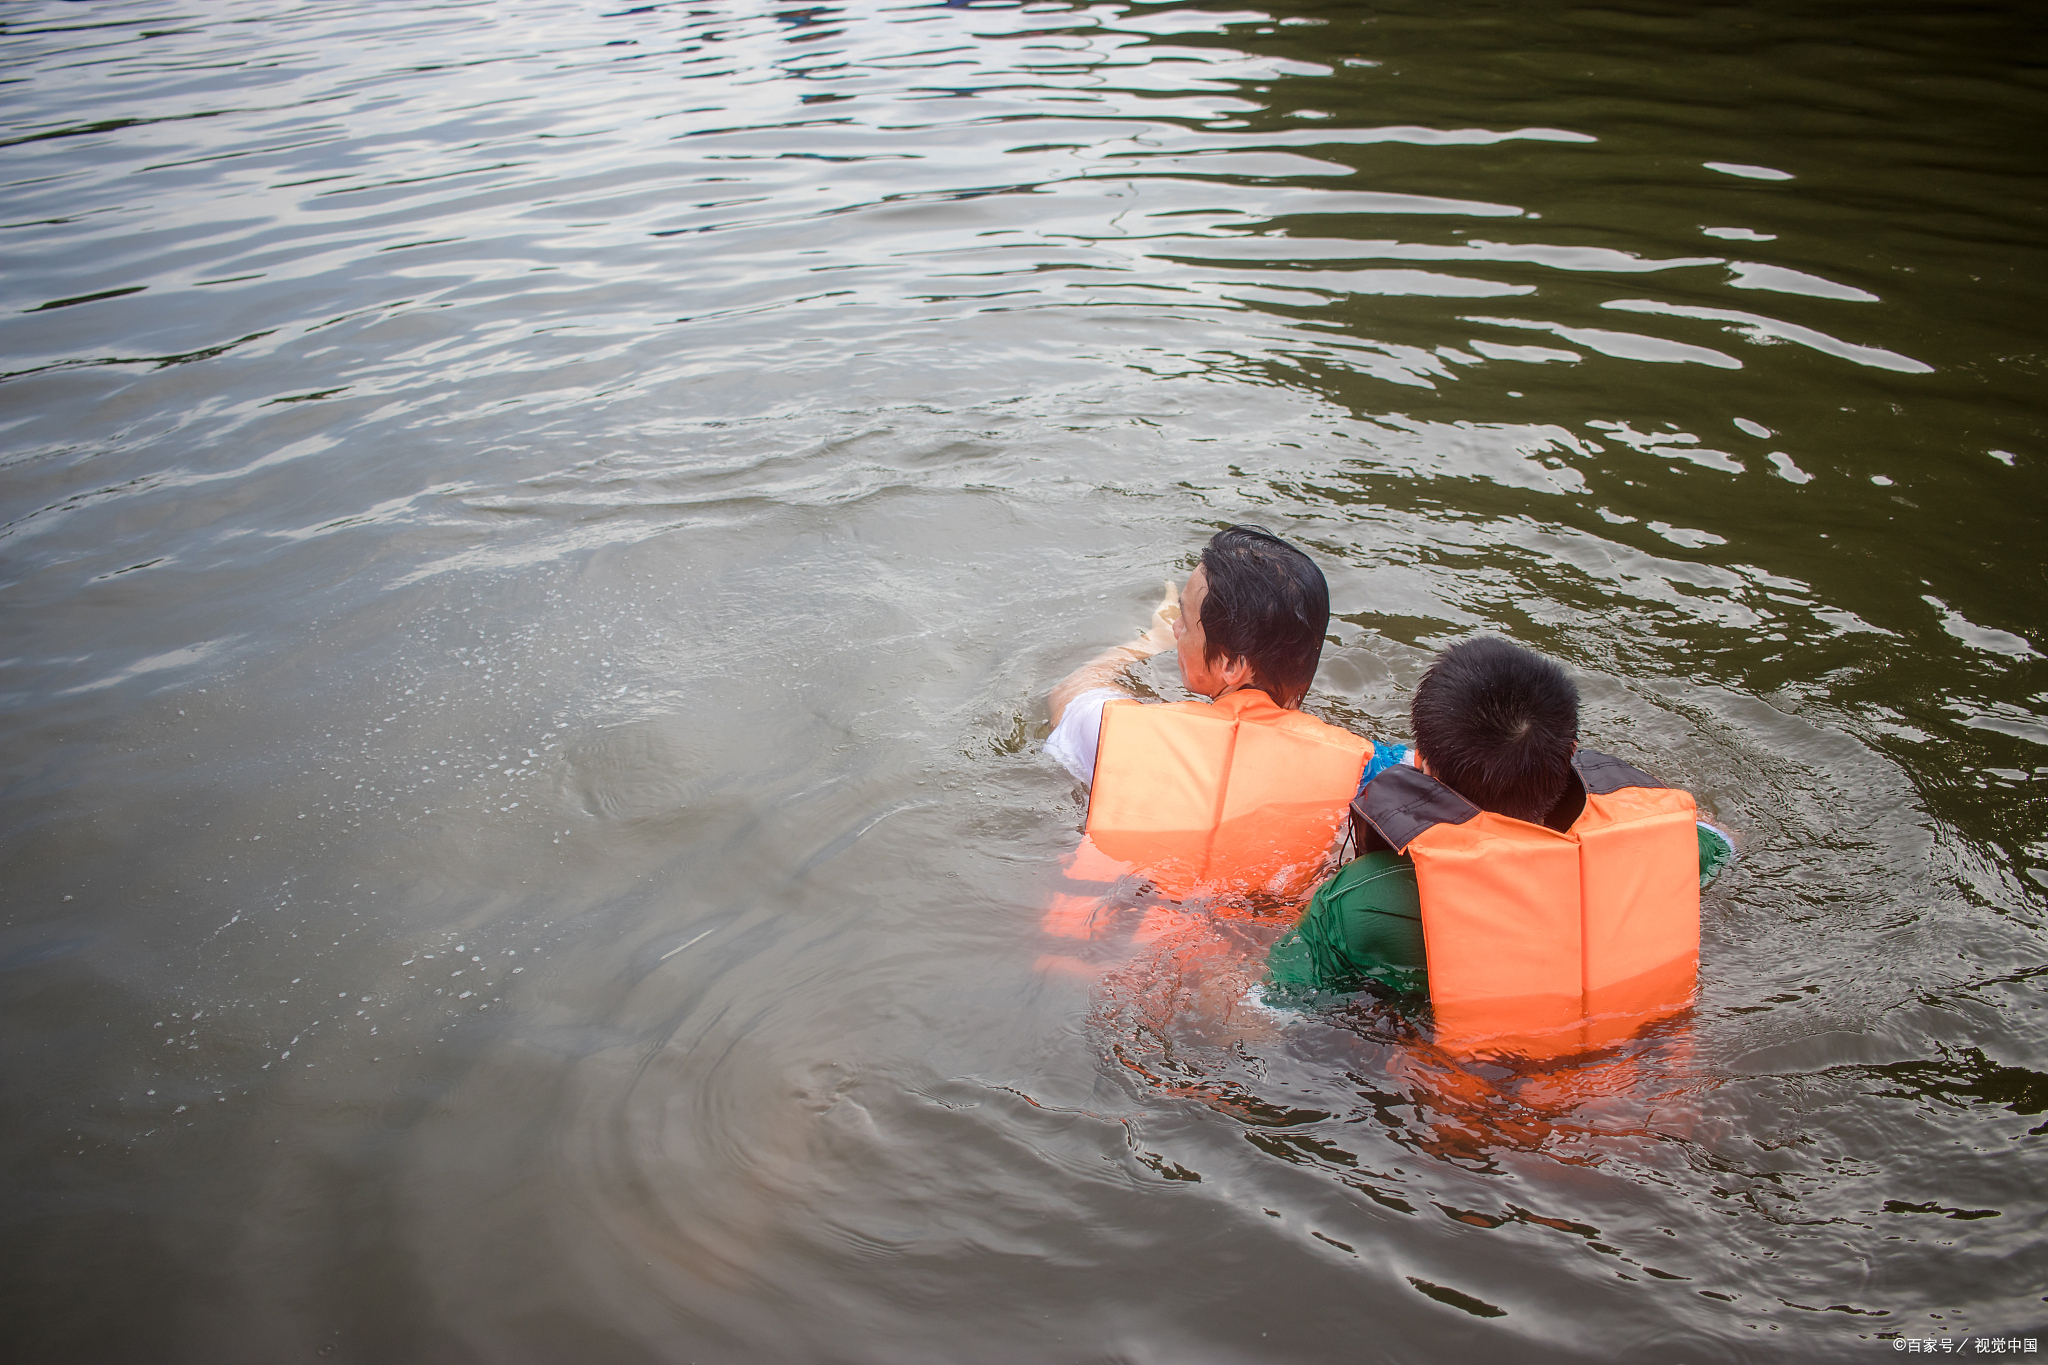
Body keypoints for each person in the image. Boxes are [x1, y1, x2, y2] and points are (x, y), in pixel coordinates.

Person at [1266, 637, 1735, 1052]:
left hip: (1467, 1116)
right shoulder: (1680, 846)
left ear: (1422, 767)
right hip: (1645, 1091)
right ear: (1571, 750)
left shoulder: (1360, 900)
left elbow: (1274, 1008)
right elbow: (1722, 845)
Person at [1043, 525, 1372, 903]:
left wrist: (1150, 642)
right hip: (1252, 953)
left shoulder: (1116, 729)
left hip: (1096, 942)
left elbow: (1071, 688)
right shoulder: (1365, 771)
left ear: (1232, 666)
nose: (1176, 627)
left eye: (1183, 617)